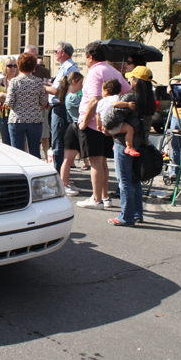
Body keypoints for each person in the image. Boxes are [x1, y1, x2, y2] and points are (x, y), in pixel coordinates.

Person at [76, 42, 131, 210]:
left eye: (86, 57)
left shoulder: (95, 72)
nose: (86, 61)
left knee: (95, 162)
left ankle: (96, 198)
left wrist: (84, 122)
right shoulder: (113, 70)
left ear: (90, 57)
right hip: (108, 124)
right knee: (103, 162)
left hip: (94, 123)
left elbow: (94, 99)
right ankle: (105, 197)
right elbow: (127, 91)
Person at [108, 66, 155, 226]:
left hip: (124, 143)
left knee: (124, 181)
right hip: (141, 143)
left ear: (135, 80)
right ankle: (137, 213)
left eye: (131, 78)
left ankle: (125, 217)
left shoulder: (129, 98)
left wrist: (116, 104)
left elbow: (109, 121)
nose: (129, 80)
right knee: (135, 180)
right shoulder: (149, 98)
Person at [45, 42, 79, 172]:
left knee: (58, 142)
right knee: (59, 141)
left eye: (56, 51)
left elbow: (55, 91)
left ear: (63, 52)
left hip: (60, 108)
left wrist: (41, 86)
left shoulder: (67, 68)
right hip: (59, 108)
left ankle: (58, 174)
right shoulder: (67, 67)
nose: (54, 53)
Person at [6, 52, 47, 157]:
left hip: (17, 119)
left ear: (19, 65)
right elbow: (43, 102)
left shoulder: (14, 81)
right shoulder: (38, 82)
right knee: (35, 152)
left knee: (17, 153)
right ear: (34, 66)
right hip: (35, 119)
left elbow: (9, 102)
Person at [96, 79, 139, 156]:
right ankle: (129, 147)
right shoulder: (115, 97)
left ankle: (115, 144)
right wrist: (128, 104)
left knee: (115, 133)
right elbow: (116, 104)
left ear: (106, 91)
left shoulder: (100, 102)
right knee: (129, 129)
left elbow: (98, 115)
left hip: (105, 126)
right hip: (114, 125)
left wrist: (99, 125)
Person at [59, 71, 85, 195]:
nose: (81, 85)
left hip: (73, 128)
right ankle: (64, 184)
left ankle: (66, 183)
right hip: (74, 128)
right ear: (74, 82)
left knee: (69, 159)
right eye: (80, 82)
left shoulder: (70, 95)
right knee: (68, 160)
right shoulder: (73, 97)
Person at [0, 56, 18, 145]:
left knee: (16, 141)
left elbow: (17, 99)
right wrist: (9, 97)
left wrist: (3, 95)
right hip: (3, 112)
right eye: (10, 66)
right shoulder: (1, 81)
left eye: (15, 66)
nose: (13, 68)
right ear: (5, 67)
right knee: (5, 140)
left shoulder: (18, 81)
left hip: (16, 112)